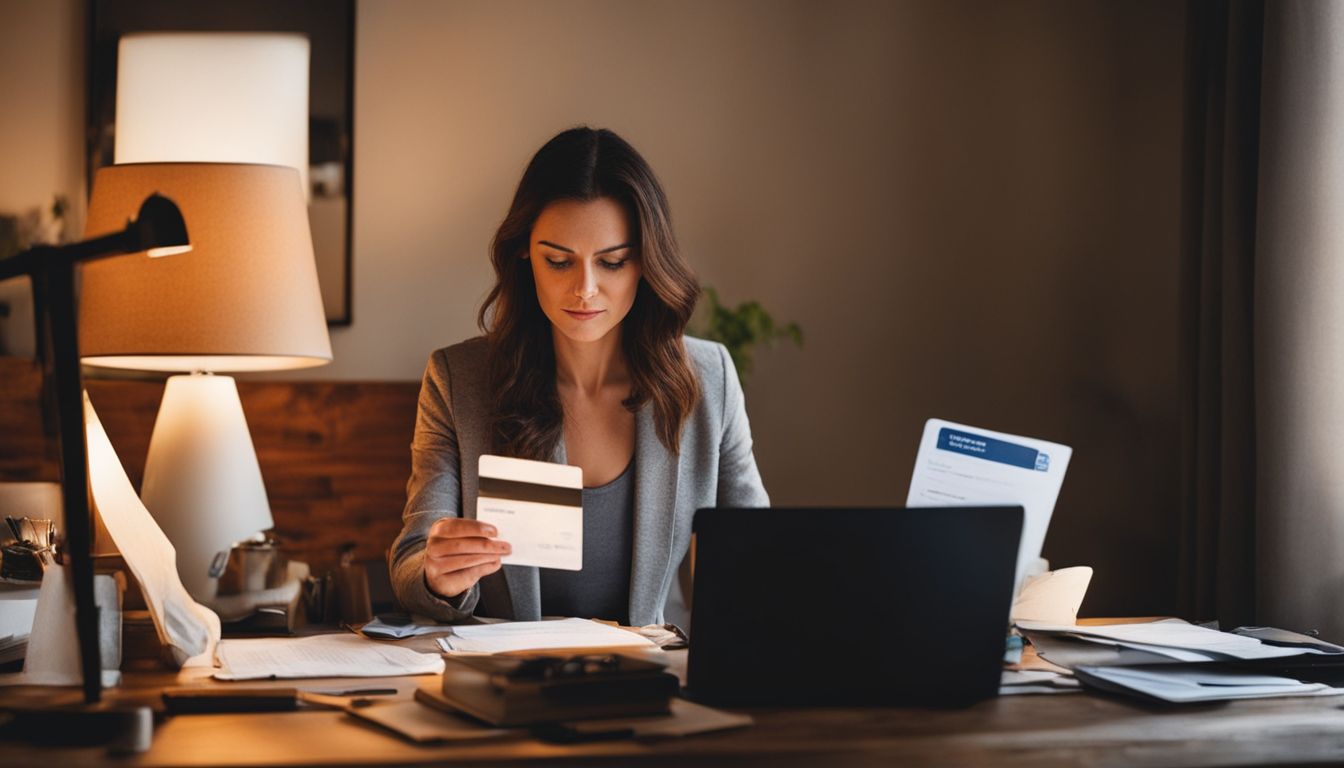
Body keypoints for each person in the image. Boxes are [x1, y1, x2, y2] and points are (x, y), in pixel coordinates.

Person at [389, 127, 768, 627]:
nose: (585, 289)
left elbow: (762, 558)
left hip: (645, 685)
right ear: (525, 254)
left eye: (611, 262)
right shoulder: (458, 381)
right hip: (510, 683)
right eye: (559, 261)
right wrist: (437, 573)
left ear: (645, 263)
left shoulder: (708, 379)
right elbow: (412, 561)